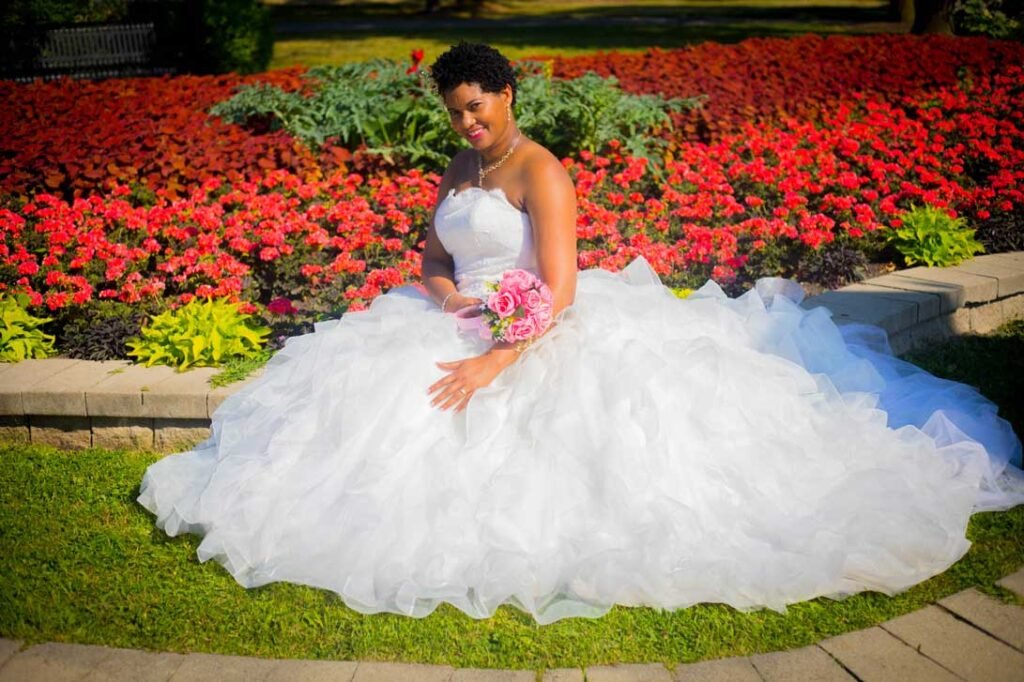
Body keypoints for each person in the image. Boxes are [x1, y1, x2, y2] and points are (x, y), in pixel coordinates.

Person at [139, 42, 1024, 625]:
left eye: (479, 107)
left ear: (509, 96)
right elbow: (429, 259)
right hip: (458, 316)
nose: (467, 123)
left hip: (536, 324)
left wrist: (497, 356)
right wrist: (450, 300)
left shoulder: (540, 171)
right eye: (455, 111)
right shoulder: (458, 166)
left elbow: (557, 289)